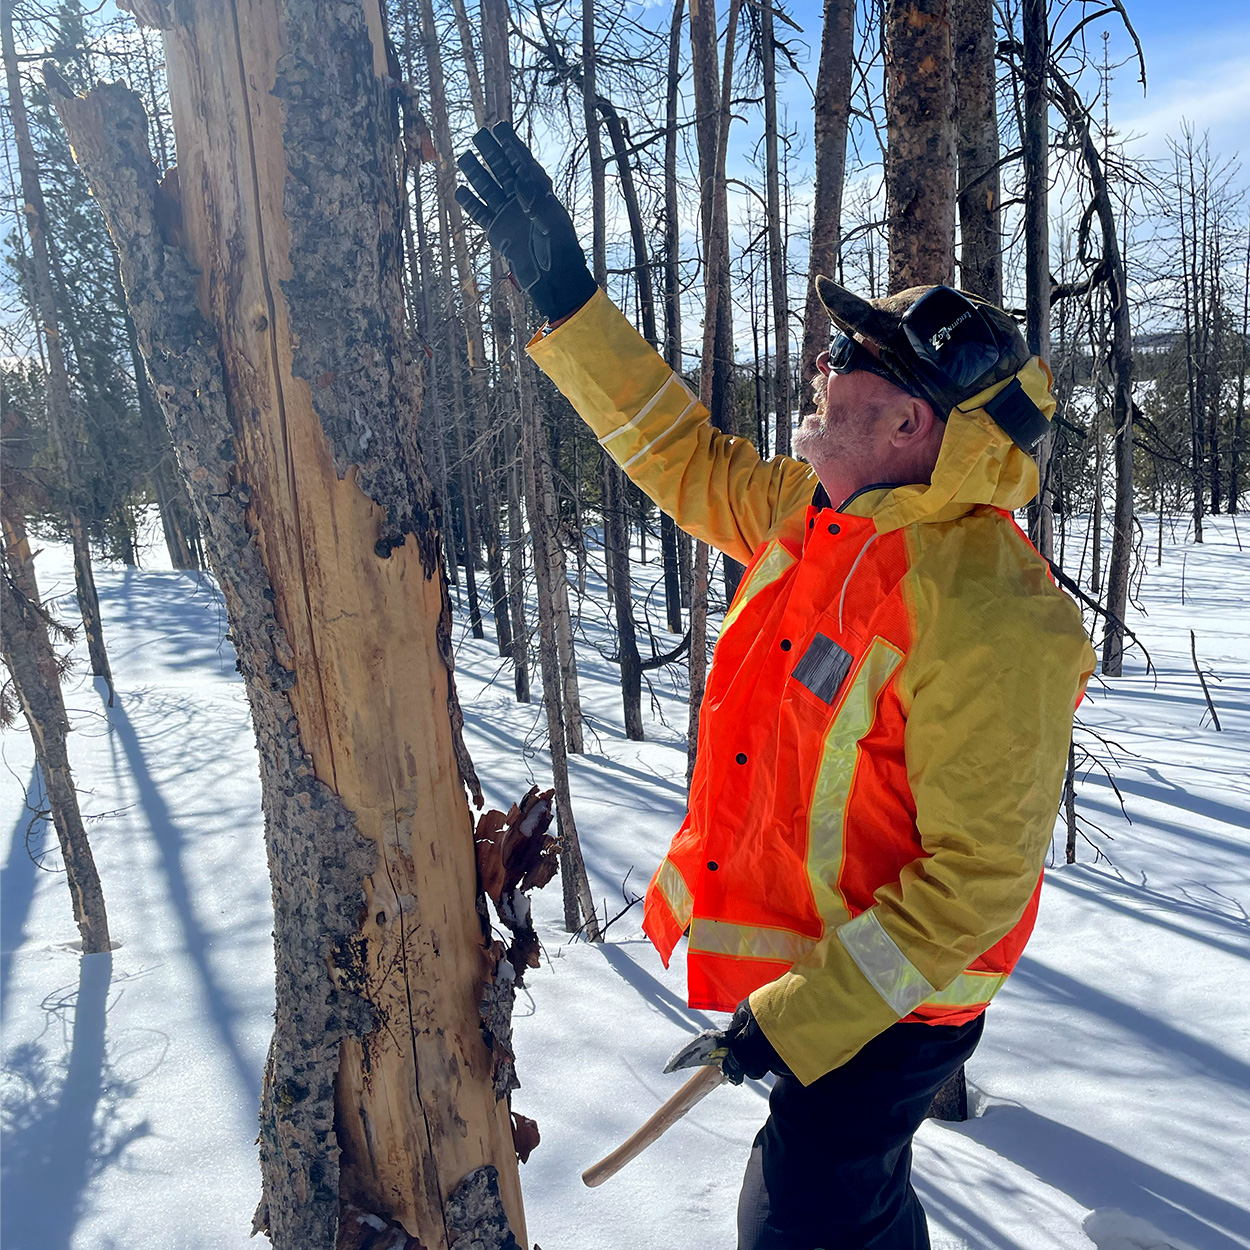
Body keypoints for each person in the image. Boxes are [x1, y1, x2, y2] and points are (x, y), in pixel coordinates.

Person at [456, 123, 1096, 1250]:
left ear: (911, 421)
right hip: (828, 973)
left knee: (802, 1215)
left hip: (898, 998)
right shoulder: (816, 519)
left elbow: (976, 888)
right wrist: (564, 291)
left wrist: (798, 1016)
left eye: (851, 357)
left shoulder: (992, 613)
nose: (820, 364)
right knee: (835, 1204)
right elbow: (679, 454)